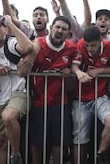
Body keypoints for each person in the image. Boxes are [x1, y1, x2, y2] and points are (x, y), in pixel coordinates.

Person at [0, 14, 33, 164]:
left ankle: (16, 155)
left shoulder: (11, 43)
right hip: (1, 98)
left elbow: (28, 47)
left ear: (5, 30)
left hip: (19, 93)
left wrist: (10, 23)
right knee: (0, 141)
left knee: (8, 116)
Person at [71, 25, 110, 163]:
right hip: (80, 98)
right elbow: (74, 65)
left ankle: (100, 156)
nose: (89, 49)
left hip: (100, 96)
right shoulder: (81, 44)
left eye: (93, 45)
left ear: (100, 40)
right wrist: (78, 72)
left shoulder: (108, 46)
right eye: (87, 45)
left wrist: (100, 71)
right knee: (80, 140)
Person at [28, 16, 76, 164]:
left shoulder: (71, 48)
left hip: (60, 103)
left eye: (64, 29)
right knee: (37, 142)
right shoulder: (37, 44)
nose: (60, 31)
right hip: (38, 101)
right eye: (58, 27)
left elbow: (75, 72)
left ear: (68, 33)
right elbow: (23, 69)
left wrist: (70, 72)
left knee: (59, 142)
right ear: (51, 28)